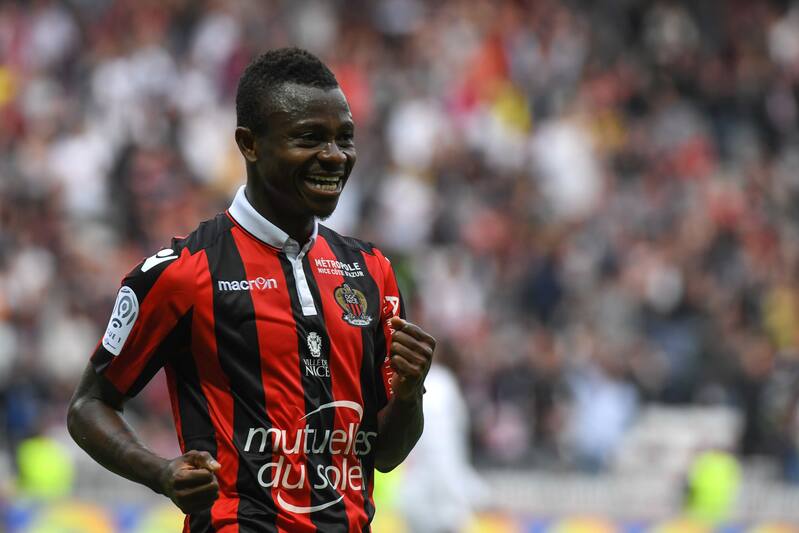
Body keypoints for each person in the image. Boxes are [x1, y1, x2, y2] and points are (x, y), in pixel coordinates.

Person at [67, 47, 436, 533]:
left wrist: (409, 394)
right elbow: (88, 405)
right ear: (250, 144)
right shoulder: (183, 272)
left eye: (344, 138)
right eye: (309, 139)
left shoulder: (370, 271)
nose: (333, 156)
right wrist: (160, 473)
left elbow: (386, 455)